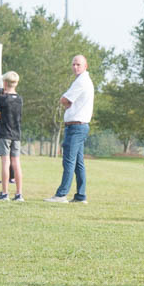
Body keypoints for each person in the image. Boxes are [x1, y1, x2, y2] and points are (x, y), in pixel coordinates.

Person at [45, 54, 94, 204]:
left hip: (76, 127)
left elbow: (64, 99)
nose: (75, 67)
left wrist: (66, 103)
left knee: (69, 161)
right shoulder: (82, 80)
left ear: (85, 66)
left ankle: (61, 194)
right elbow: (67, 100)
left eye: (78, 64)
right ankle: (80, 195)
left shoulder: (81, 82)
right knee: (78, 162)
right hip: (79, 126)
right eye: (73, 64)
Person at [0, 70, 24, 202]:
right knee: (16, 163)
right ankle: (19, 193)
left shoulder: (2, 99)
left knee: (5, 162)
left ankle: (5, 193)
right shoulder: (20, 99)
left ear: (4, 83)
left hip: (4, 133)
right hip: (16, 134)